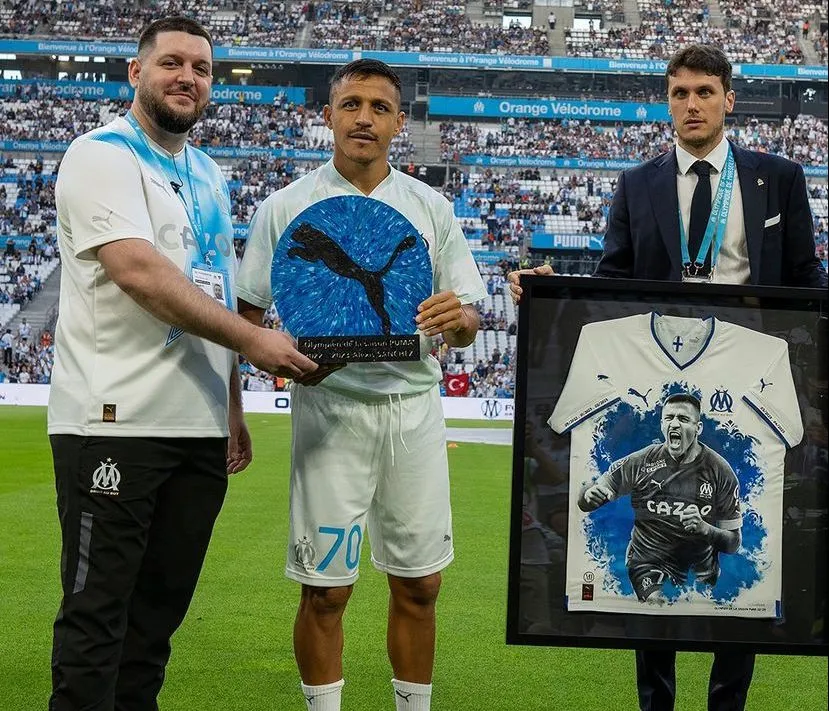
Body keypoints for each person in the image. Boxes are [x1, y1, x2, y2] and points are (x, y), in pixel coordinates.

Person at [508, 44, 827, 711]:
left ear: (728, 99)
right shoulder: (637, 184)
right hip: (660, 379)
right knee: (650, 543)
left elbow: (806, 279)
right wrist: (549, 291)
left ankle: (726, 703)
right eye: (679, 93)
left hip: (744, 381)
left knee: (737, 558)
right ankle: (655, 702)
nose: (691, 104)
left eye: (704, 91)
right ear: (667, 103)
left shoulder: (778, 177)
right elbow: (611, 284)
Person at [47, 16, 317, 711]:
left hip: (197, 428)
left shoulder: (208, 173)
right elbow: (138, 272)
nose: (187, 78)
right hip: (115, 421)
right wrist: (254, 342)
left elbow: (213, 288)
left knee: (155, 621)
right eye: (171, 63)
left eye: (201, 68)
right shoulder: (101, 154)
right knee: (98, 613)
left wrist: (231, 403)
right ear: (135, 73)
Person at [236, 59, 486, 711]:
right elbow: (247, 318)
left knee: (421, 585)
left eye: (379, 107)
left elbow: (468, 319)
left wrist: (456, 319)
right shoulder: (283, 207)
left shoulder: (430, 208)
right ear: (328, 116)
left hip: (413, 412)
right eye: (351, 105)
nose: (364, 118)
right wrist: (277, 358)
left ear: (400, 122)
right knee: (325, 590)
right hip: (330, 413)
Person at [578, 393, 741, 603]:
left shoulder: (720, 471)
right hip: (647, 563)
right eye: (669, 418)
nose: (675, 424)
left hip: (698, 574)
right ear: (662, 425)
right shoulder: (641, 461)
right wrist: (588, 495)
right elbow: (590, 493)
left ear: (698, 428)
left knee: (689, 617)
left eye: (683, 419)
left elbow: (733, 544)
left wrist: (705, 529)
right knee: (657, 605)